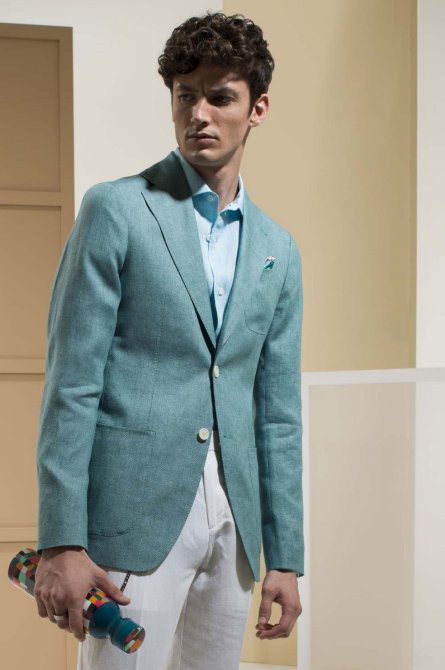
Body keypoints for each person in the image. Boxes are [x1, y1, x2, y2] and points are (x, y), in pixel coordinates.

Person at [34, 11, 304, 670]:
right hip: (132, 514)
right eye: (185, 96)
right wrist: (61, 540)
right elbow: (71, 383)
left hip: (234, 527)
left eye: (220, 97)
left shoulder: (278, 248)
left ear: (258, 108)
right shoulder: (116, 209)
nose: (198, 114)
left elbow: (277, 416)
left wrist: (285, 557)